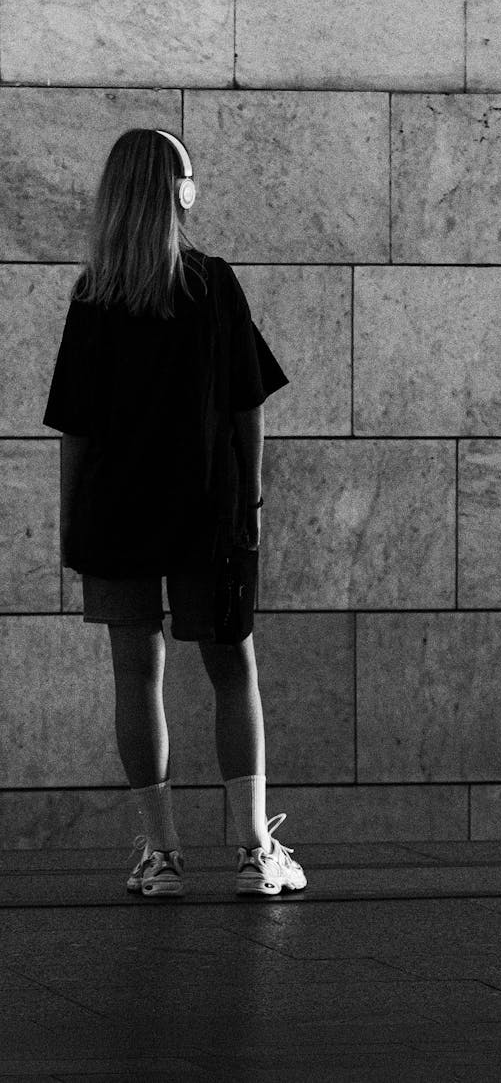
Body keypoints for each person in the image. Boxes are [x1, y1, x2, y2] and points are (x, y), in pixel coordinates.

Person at [42, 128, 307, 900]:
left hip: (115, 515)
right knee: (232, 669)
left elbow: (75, 430)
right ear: (179, 192)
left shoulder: (95, 295)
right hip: (206, 511)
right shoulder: (212, 284)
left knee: (137, 674)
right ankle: (256, 852)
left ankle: (161, 856)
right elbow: (246, 405)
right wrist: (251, 501)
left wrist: (71, 526)